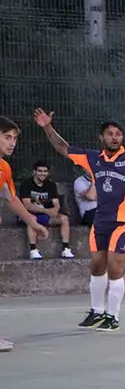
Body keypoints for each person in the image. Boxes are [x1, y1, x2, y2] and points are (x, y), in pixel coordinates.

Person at [34, 109, 125, 331]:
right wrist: (47, 127)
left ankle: (113, 317)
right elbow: (63, 148)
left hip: (123, 222)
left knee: (115, 267)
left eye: (118, 134)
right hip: (100, 221)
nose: (115, 137)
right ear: (101, 138)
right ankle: (97, 312)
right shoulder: (93, 159)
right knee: (96, 266)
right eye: (110, 134)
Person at [0, 116, 50, 351]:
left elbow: (12, 200)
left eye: (14, 139)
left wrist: (34, 222)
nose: (12, 143)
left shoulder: (5, 168)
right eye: (6, 137)